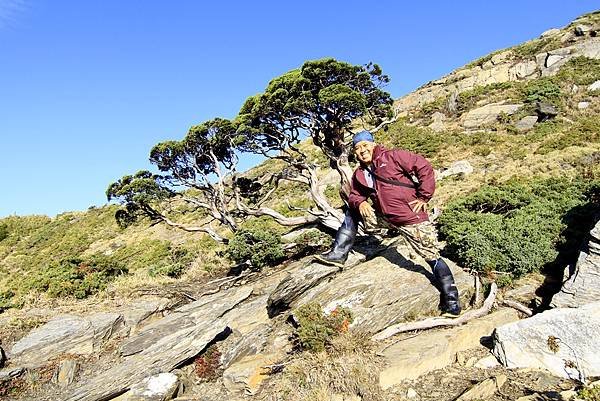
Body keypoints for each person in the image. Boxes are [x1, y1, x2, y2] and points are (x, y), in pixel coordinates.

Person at [317, 130, 462, 316]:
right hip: (385, 218)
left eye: (365, 146)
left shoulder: (394, 156)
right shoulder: (360, 173)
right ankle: (339, 253)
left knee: (431, 255)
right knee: (352, 210)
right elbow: (354, 194)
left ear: (373, 145)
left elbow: (424, 167)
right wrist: (360, 202)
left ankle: (452, 302)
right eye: (357, 148)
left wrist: (424, 197)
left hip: (410, 218)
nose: (362, 151)